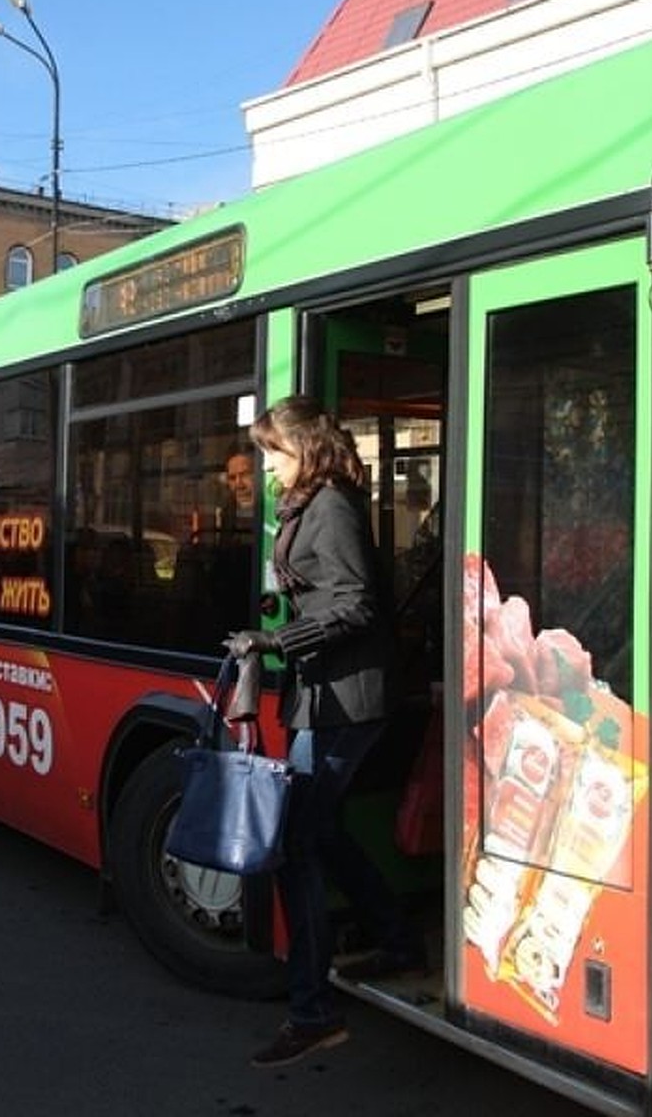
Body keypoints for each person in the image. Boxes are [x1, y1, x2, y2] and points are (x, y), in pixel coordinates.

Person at [227, 396, 422, 1069]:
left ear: (303, 448)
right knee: (323, 832)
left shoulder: (331, 504)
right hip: (326, 696)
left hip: (347, 699)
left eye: (273, 453)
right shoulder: (312, 502)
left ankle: (312, 1013)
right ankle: (397, 941)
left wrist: (277, 637)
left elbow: (356, 603)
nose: (267, 466)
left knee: (295, 843)